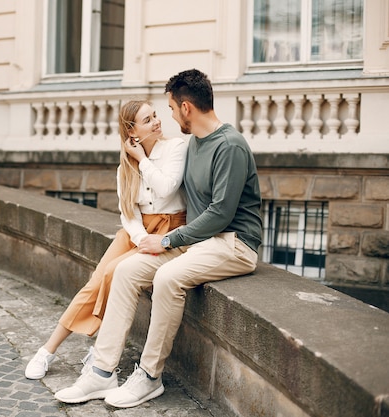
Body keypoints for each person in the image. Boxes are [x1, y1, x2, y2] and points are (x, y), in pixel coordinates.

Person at [54, 68, 263, 408]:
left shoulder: (230, 146)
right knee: (124, 271)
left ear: (186, 108)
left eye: (169, 108)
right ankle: (102, 372)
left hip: (234, 243)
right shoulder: (193, 143)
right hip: (198, 242)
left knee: (167, 277)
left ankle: (149, 376)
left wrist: (167, 241)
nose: (167, 115)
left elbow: (221, 215)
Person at [25, 100, 188, 379]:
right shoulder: (123, 169)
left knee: (115, 273)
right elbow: (129, 213)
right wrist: (139, 238)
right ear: (132, 131)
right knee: (95, 282)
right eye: (147, 120)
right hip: (137, 234)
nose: (157, 122)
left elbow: (167, 186)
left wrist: (142, 160)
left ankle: (101, 349)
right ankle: (47, 350)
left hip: (168, 232)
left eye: (155, 116)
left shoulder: (177, 148)